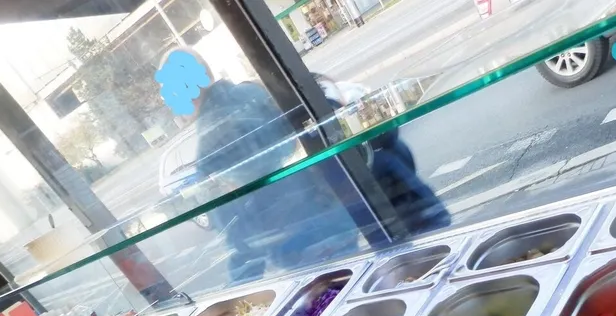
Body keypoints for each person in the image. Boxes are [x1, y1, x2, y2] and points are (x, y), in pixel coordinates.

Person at [155, 49, 450, 286]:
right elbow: (383, 141)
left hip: (313, 246)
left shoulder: (210, 147)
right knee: (432, 276)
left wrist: (240, 288)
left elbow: (240, 236)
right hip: (394, 213)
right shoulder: (266, 91)